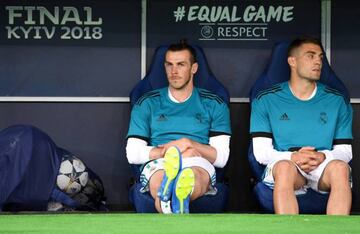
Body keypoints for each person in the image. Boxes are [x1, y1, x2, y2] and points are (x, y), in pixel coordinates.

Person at [250, 37, 353, 215]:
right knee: (284, 169)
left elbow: (345, 151)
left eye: (320, 57)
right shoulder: (266, 99)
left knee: (340, 168)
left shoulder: (337, 100)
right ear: (292, 61)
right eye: (310, 56)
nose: (318, 62)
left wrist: (322, 156)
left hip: (323, 165)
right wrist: (294, 157)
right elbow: (261, 153)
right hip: (287, 163)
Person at [126, 40, 231, 213]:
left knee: (193, 177)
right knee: (159, 179)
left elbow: (221, 157)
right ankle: (174, 198)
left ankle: (171, 198)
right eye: (169, 65)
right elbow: (133, 154)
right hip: (159, 161)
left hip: (198, 161)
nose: (174, 71)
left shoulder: (214, 103)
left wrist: (189, 143)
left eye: (181, 65)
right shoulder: (146, 102)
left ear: (194, 68)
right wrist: (169, 151)